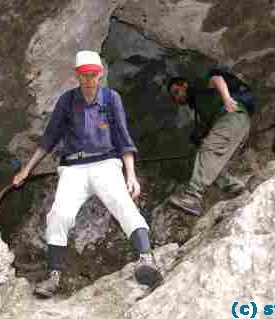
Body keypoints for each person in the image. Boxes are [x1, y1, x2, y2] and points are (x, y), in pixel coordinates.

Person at [13, 50, 162, 298]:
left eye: (93, 74)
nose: (89, 79)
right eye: (84, 75)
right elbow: (49, 138)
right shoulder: (67, 101)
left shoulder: (111, 98)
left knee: (123, 203)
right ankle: (54, 276)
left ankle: (146, 259)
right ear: (77, 76)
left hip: (106, 164)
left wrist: (131, 175)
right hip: (73, 167)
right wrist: (25, 171)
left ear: (100, 74)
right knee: (59, 214)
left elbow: (124, 138)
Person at [166, 69, 254, 216]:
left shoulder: (196, 85)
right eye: (173, 97)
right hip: (237, 125)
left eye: (176, 92)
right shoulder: (199, 106)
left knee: (208, 150)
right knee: (213, 166)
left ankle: (192, 197)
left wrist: (226, 99)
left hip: (231, 117)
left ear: (184, 85)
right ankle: (239, 190)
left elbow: (216, 79)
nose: (177, 98)